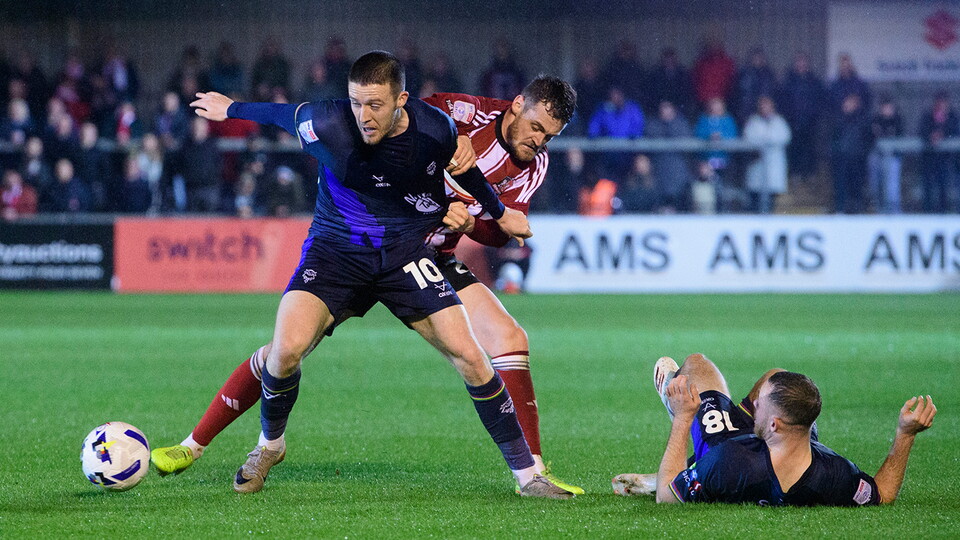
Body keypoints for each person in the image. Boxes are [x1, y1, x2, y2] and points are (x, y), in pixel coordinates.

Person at [157, 51, 568, 499]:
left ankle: (531, 475)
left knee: (481, 351)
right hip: (339, 255)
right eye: (357, 103)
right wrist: (230, 108)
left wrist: (490, 216)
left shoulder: (442, 134)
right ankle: (248, 446)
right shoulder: (336, 122)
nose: (364, 116)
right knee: (285, 350)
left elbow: (469, 178)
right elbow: (284, 115)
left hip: (409, 254)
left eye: (375, 105)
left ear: (400, 102)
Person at [614, 353, 936, 506]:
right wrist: (904, 435)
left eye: (760, 403)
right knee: (777, 373)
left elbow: (667, 498)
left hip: (722, 442)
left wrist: (684, 417)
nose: (755, 403)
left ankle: (678, 416)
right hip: (790, 447)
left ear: (772, 423)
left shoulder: (729, 461)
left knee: (696, 364)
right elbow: (883, 493)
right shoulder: (834, 473)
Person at [743, 95, 791, 213]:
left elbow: (784, 137)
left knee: (770, 200)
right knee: (755, 198)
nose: (765, 108)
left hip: (773, 166)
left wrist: (766, 139)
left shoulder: (779, 121)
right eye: (763, 106)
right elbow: (749, 138)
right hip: (757, 165)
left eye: (767, 105)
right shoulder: (753, 121)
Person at [867, 96, 904, 214]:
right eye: (885, 107)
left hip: (892, 157)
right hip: (878, 157)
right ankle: (878, 210)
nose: (887, 110)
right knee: (876, 184)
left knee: (892, 186)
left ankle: (894, 212)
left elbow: (899, 138)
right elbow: (871, 138)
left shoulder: (898, 120)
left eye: (889, 107)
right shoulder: (875, 120)